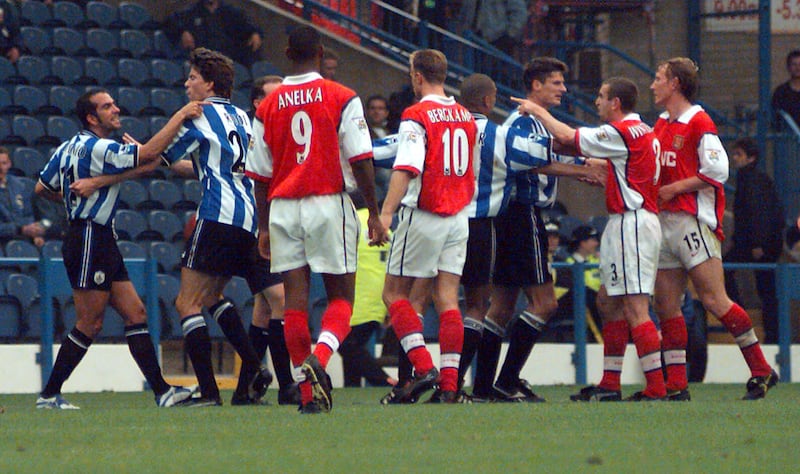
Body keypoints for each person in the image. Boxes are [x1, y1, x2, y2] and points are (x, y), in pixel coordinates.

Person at [33, 88, 204, 409]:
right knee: (90, 322)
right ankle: (48, 394)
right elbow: (150, 154)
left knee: (135, 312)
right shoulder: (100, 148)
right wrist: (181, 115)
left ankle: (162, 392)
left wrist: (87, 190)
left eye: (113, 103)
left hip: (98, 237)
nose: (115, 109)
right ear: (91, 117)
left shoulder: (68, 146)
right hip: (88, 238)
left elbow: (41, 187)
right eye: (106, 106)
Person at [246, 26, 387, 414]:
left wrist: (262, 226)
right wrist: (373, 212)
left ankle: (308, 397)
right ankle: (320, 360)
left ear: (287, 52)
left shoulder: (268, 105)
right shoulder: (342, 96)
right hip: (328, 202)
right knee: (341, 297)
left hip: (283, 207)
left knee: (294, 303)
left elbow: (259, 173)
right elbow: (361, 160)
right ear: (322, 53)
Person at [515, 76, 668, 401]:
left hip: (634, 222)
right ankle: (610, 384)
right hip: (624, 221)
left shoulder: (622, 130)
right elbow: (616, 162)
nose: (596, 101)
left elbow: (569, 136)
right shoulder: (639, 132)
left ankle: (657, 387)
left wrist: (535, 111)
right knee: (607, 302)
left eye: (600, 96)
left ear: (615, 103)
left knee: (635, 307)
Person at [471, 57, 604, 402]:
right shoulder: (524, 119)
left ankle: (486, 387)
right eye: (556, 82)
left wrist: (587, 166)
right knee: (545, 303)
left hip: (512, 217)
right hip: (521, 215)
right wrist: (580, 172)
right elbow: (527, 160)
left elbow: (557, 152)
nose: (563, 89)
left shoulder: (538, 122)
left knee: (501, 306)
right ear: (536, 85)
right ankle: (506, 379)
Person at [650, 57, 777, 400]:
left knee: (713, 299)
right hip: (664, 223)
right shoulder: (661, 123)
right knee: (666, 306)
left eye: (659, 78)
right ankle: (677, 386)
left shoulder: (699, 121)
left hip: (693, 222)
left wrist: (675, 189)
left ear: (675, 83)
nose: (653, 85)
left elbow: (718, 171)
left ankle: (762, 370)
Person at [379, 48, 476, 404]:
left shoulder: (416, 115)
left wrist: (387, 212)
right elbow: (471, 170)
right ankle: (450, 387)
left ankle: (423, 368)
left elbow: (406, 167)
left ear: (418, 76)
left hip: (424, 214)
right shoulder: (466, 116)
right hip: (458, 217)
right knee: (447, 297)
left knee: (393, 294)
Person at [724, 137, 783, 344]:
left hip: (758, 245)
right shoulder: (750, 179)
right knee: (764, 288)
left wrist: (758, 243)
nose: (735, 158)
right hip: (753, 243)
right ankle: (761, 328)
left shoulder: (753, 181)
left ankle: (771, 333)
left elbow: (759, 214)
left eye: (739, 154)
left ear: (751, 158)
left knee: (766, 289)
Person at [339, 192, 398, 388]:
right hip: (381, 297)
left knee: (345, 342)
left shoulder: (352, 222)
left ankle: (383, 380)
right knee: (354, 345)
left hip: (359, 297)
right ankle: (351, 387)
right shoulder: (383, 228)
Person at [163, 0, 263, 67]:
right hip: (201, 62)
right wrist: (183, 32)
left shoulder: (231, 12)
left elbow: (248, 25)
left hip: (227, 61)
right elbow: (170, 22)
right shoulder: (192, 12)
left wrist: (255, 33)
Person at [0, 147, 46, 248]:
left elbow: (28, 215)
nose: (0, 168)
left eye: (3, 163)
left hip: (24, 240)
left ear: (9, 164)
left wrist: (34, 233)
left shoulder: (20, 186)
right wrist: (20, 229)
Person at [771, 50, 800, 129]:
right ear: (788, 67)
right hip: (787, 138)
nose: (798, 68)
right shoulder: (781, 92)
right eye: (794, 64)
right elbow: (775, 118)